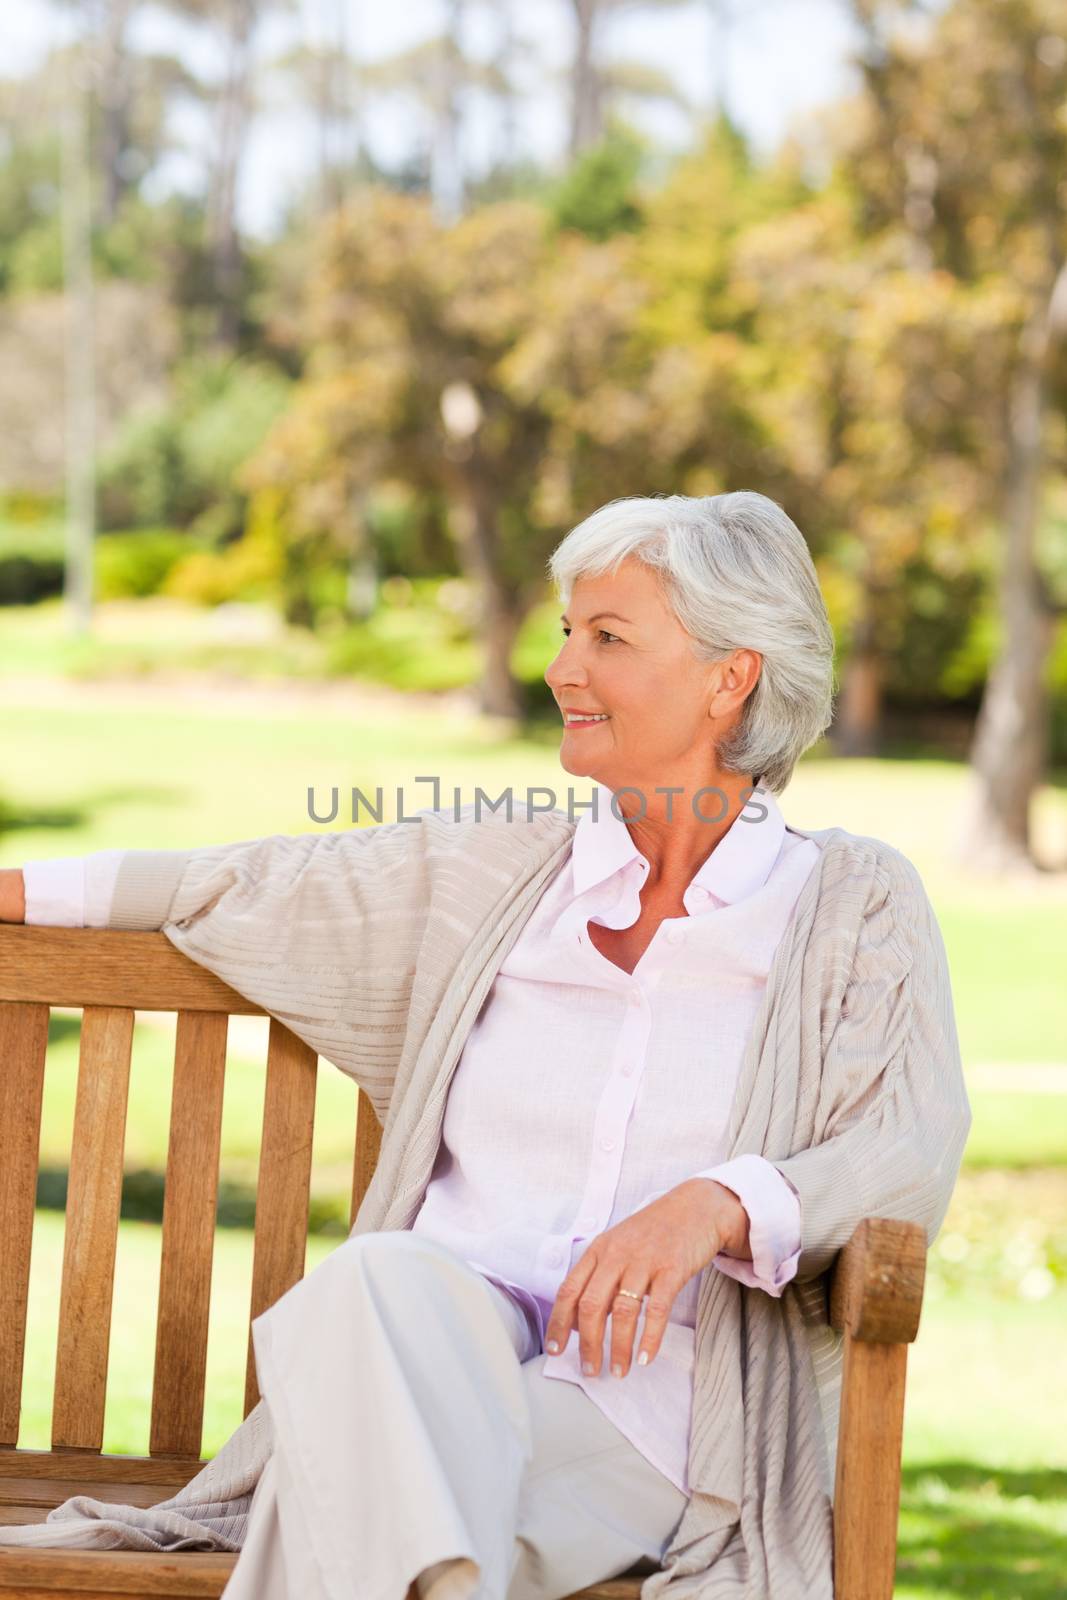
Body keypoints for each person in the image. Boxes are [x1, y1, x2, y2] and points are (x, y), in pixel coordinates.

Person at [0, 492, 972, 1600]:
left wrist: (716, 1201)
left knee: (353, 1510)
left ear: (728, 677)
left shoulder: (851, 906)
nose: (562, 668)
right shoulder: (495, 873)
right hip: (422, 1357)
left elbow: (906, 1141)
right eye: (566, 631)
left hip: (652, 1416)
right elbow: (237, 881)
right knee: (375, 1282)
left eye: (607, 637)